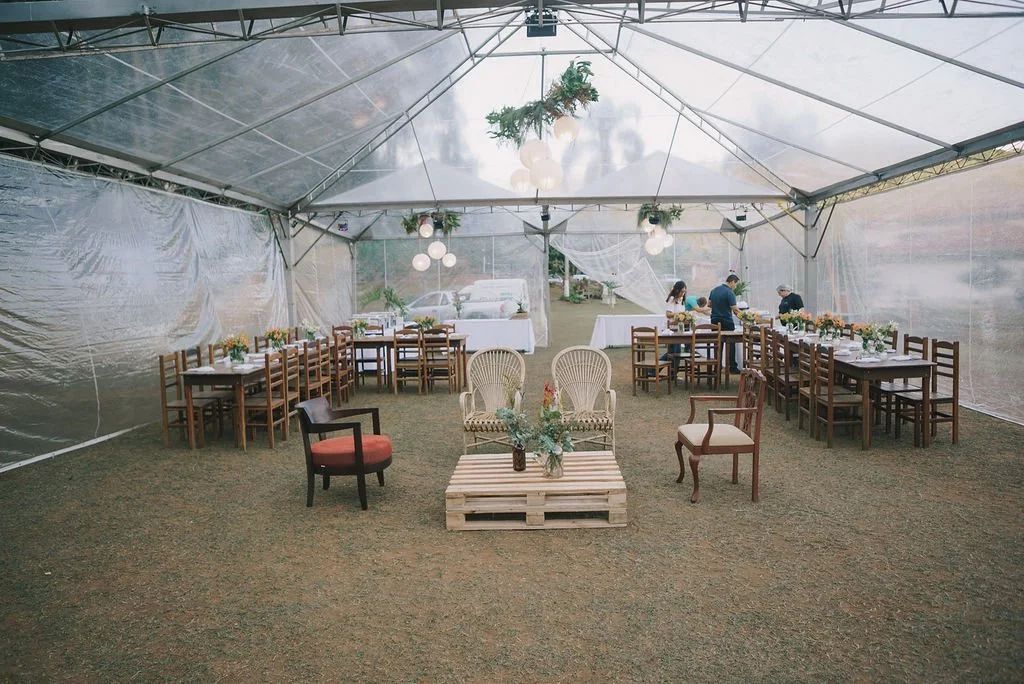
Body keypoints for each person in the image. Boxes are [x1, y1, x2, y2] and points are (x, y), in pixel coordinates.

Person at [709, 274, 742, 374]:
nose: (735, 287)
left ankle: (717, 366)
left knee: (717, 344)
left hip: (714, 321)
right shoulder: (729, 292)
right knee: (730, 344)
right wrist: (744, 317)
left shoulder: (713, 290)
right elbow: (735, 309)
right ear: (732, 281)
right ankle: (732, 366)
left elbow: (709, 304)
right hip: (726, 321)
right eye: (735, 284)